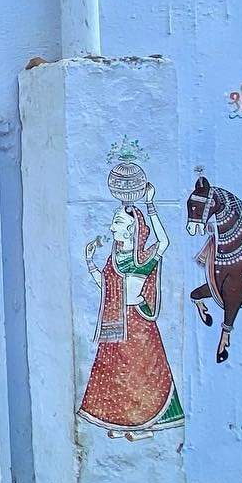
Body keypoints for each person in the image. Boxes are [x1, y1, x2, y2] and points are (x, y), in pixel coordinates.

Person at [78, 183, 185, 440]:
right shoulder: (113, 258)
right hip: (116, 323)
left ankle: (145, 427)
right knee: (114, 376)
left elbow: (164, 241)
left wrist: (150, 205)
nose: (112, 227)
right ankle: (120, 422)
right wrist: (90, 262)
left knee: (142, 375)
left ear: (131, 228)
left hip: (138, 323)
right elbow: (106, 286)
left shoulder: (143, 258)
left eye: (117, 222)